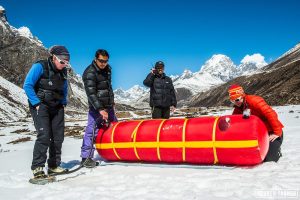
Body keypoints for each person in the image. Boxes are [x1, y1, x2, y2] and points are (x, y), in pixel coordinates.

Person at [23, 45, 70, 179]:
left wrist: (63, 103)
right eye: (62, 61)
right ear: (54, 58)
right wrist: (36, 103)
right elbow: (27, 85)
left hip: (57, 106)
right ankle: (37, 167)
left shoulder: (63, 72)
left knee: (58, 137)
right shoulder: (40, 66)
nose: (64, 64)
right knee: (44, 135)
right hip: (41, 105)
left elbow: (64, 88)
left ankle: (54, 166)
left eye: (67, 62)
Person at [81, 49, 118, 168]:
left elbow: (109, 88)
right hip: (96, 109)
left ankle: (117, 151)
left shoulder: (108, 69)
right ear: (96, 59)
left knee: (115, 128)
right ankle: (86, 158)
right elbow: (91, 93)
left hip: (108, 106)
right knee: (92, 131)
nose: (103, 63)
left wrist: (111, 101)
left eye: (106, 61)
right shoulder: (89, 73)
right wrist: (100, 109)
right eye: (101, 61)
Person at [228, 84, 284, 162]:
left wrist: (277, 132)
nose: (235, 102)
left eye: (237, 99)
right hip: (257, 135)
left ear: (242, 95)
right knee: (252, 157)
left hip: (271, 132)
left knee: (269, 160)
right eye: (232, 100)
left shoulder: (254, 100)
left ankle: (276, 150)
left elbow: (271, 113)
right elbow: (234, 122)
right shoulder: (238, 109)